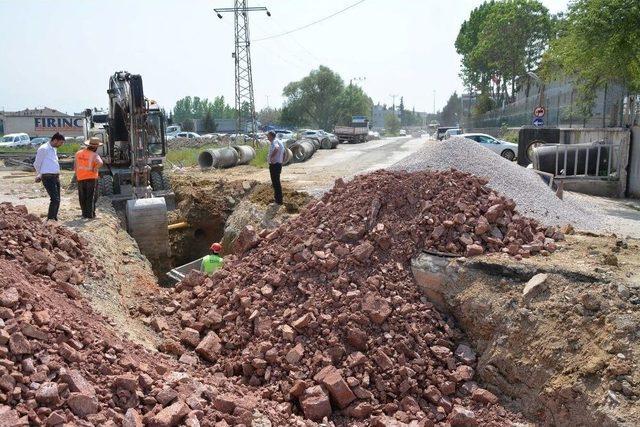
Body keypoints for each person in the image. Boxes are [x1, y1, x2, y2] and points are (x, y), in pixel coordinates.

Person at [33, 133, 65, 221]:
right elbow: (37, 164)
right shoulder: (43, 149)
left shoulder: (53, 149)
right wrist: (39, 174)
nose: (61, 145)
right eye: (61, 142)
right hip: (48, 177)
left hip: (55, 177)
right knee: (55, 199)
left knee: (58, 199)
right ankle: (50, 219)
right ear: (55, 140)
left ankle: (54, 218)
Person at [74, 137, 104, 219]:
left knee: (82, 196)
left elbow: (75, 166)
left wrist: (78, 174)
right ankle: (90, 215)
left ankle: (84, 214)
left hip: (80, 178)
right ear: (95, 147)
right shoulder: (94, 155)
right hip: (91, 178)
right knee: (91, 197)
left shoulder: (78, 153)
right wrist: (95, 168)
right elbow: (100, 163)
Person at [267, 130, 284, 205]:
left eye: (268, 136)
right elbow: (284, 152)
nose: (267, 137)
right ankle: (278, 199)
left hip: (274, 165)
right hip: (278, 164)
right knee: (276, 182)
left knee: (275, 183)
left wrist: (271, 157)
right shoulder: (279, 141)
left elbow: (276, 148)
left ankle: (278, 201)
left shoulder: (275, 142)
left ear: (271, 136)